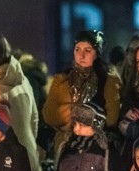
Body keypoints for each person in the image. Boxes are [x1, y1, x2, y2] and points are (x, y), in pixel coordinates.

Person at [43, 30, 121, 160]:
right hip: (64, 148)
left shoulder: (109, 81)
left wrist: (69, 112)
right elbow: (49, 115)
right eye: (77, 49)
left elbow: (111, 118)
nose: (81, 55)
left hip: (95, 150)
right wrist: (83, 113)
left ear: (98, 53)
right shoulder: (61, 79)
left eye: (88, 50)